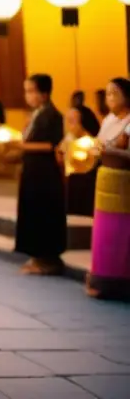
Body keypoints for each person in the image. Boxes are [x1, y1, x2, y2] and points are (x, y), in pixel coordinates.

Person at [14, 73, 66, 276]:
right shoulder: (37, 113)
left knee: (44, 214)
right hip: (33, 172)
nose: (28, 96)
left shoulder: (52, 114)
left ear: (44, 93)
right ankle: (37, 257)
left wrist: (21, 145)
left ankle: (48, 259)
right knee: (33, 213)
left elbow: (50, 144)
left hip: (45, 175)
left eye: (31, 91)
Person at [87, 77, 130, 299]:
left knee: (122, 235)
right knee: (105, 234)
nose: (110, 98)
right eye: (107, 93)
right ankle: (102, 277)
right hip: (107, 182)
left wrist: (109, 151)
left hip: (125, 186)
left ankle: (120, 281)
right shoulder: (108, 120)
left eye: (115, 93)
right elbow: (99, 145)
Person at [61, 104, 100, 217]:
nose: (68, 126)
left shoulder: (90, 143)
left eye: (72, 121)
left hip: (84, 190)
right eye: (66, 121)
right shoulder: (70, 138)